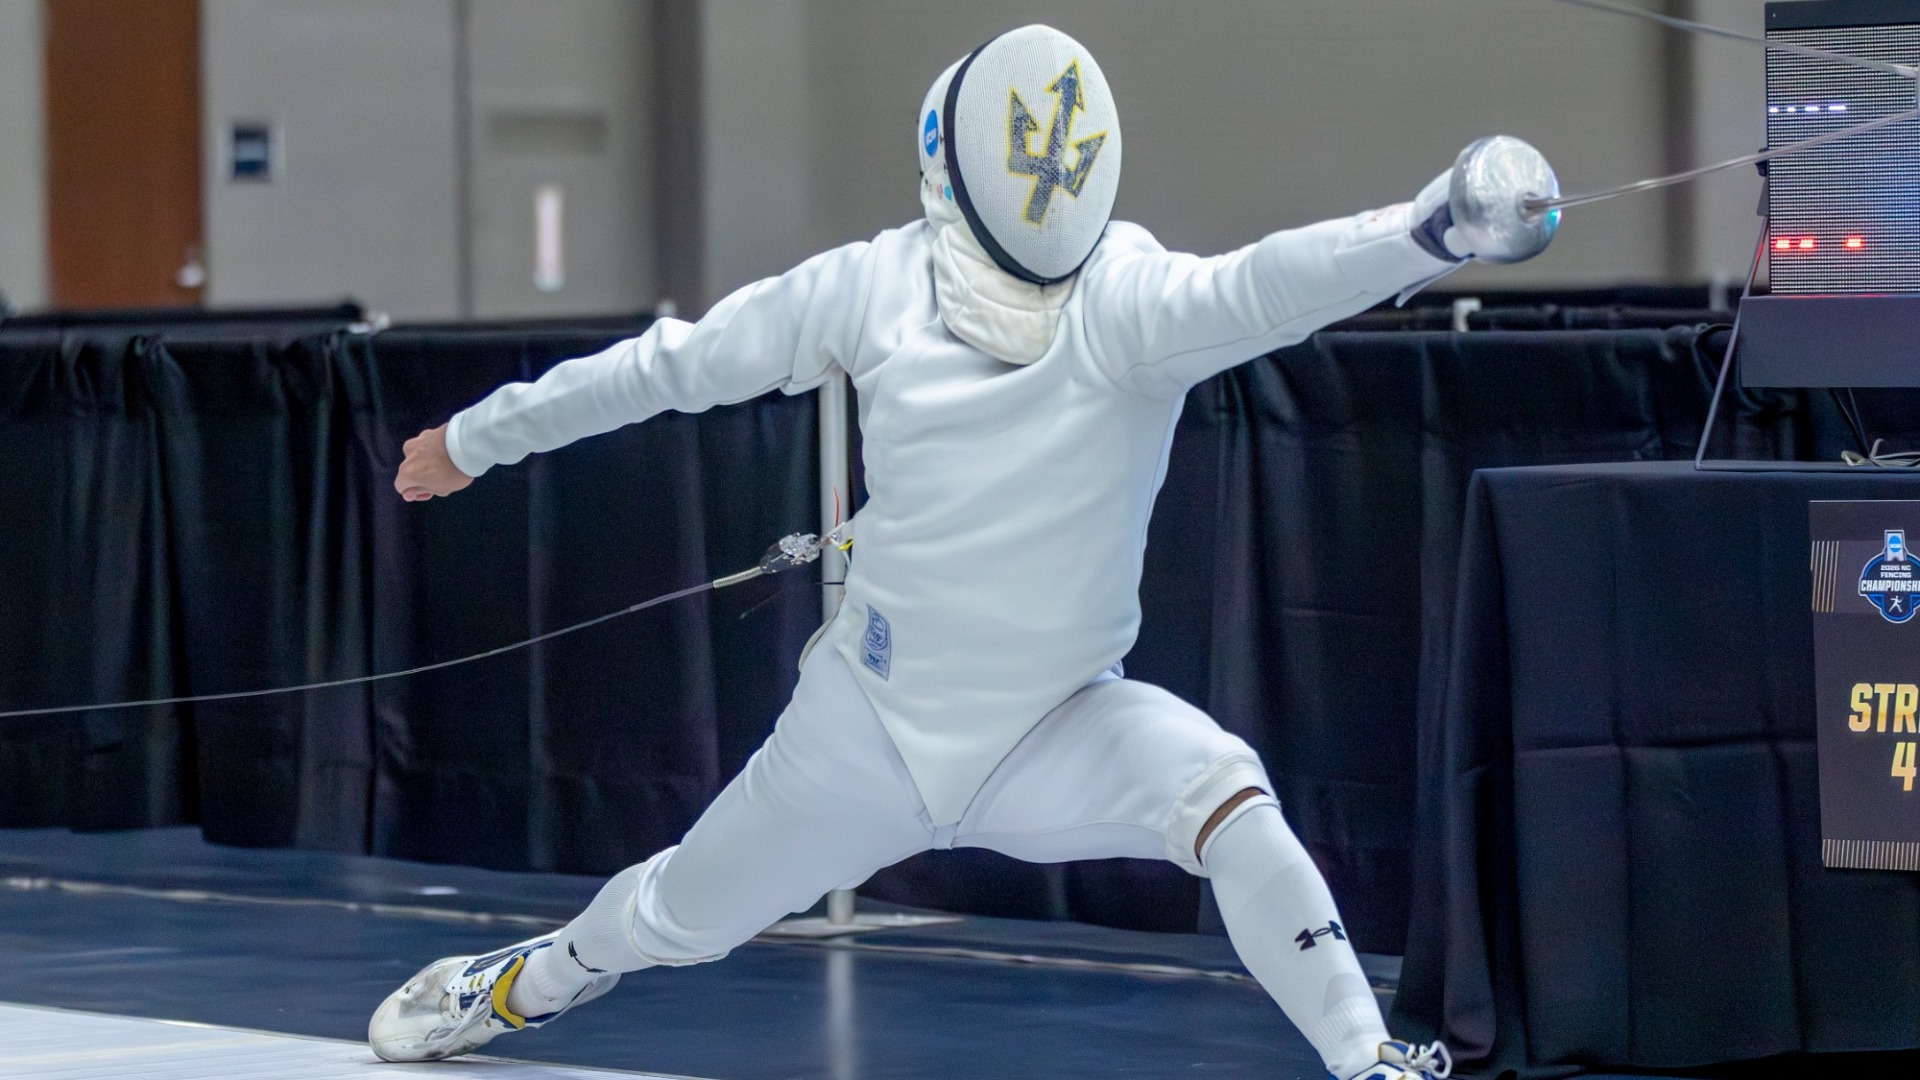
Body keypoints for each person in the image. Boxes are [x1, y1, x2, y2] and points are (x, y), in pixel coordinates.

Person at [369, 24, 1556, 1080]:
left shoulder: (1128, 306)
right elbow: (665, 367)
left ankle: (1370, 1062)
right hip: (865, 734)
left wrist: (1432, 226)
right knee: (677, 916)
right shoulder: (872, 287)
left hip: (1056, 727)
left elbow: (1282, 280)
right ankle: (529, 981)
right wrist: (481, 436)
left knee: (1226, 793)